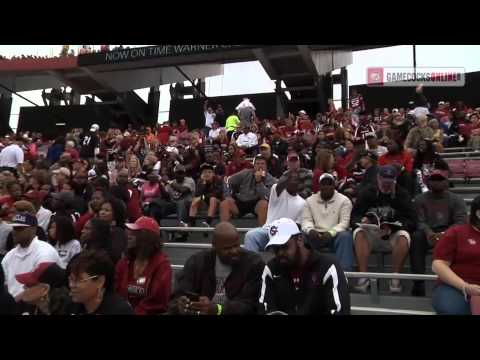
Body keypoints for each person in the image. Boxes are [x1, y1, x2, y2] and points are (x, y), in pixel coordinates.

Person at [167, 222, 264, 315]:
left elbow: (249, 305)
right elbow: (179, 294)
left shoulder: (254, 264)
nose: (234, 251)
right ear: (214, 246)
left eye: (236, 245)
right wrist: (180, 304)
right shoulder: (197, 261)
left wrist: (217, 309)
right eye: (227, 248)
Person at [258, 218, 350, 315]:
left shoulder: (328, 267)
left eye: (285, 246)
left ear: (300, 240)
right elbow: (264, 309)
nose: (280, 253)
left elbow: (340, 311)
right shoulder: (271, 269)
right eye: (276, 249)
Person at [351, 165, 417, 293]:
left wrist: (394, 227)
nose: (386, 184)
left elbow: (412, 220)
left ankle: (395, 278)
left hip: (392, 234)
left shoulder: (402, 194)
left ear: (395, 179)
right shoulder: (367, 192)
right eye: (384, 180)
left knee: (404, 236)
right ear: (378, 178)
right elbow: (354, 216)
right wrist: (361, 221)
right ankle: (363, 277)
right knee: (358, 233)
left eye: (390, 181)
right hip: (372, 233)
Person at [411, 167, 467, 296]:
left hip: (450, 233)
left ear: (446, 182)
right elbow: (418, 220)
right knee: (416, 237)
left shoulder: (456, 199)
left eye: (440, 179)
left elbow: (461, 221)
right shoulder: (420, 199)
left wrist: (444, 234)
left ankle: (455, 281)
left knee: (458, 237)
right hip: (427, 233)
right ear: (428, 182)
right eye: (433, 180)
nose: (436, 182)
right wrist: (428, 232)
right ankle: (418, 282)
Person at [431, 195, 480, 315]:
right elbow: (438, 265)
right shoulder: (456, 232)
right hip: (455, 286)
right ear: (478, 213)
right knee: (454, 309)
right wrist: (465, 286)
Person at [115, 216, 172, 315]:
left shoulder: (162, 265)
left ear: (147, 238)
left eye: (135, 233)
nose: (129, 235)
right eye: (130, 232)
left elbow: (157, 301)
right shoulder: (124, 262)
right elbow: (115, 291)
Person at [302, 173, 354, 271]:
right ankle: (302, 272)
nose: (326, 187)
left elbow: (344, 223)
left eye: (329, 184)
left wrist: (331, 233)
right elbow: (306, 220)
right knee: (301, 236)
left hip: (335, 235)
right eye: (323, 184)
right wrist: (310, 230)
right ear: (319, 186)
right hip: (315, 235)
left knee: (345, 236)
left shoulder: (344, 201)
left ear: (334, 186)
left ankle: (345, 273)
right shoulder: (309, 201)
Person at [243, 170, 306, 252]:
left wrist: (284, 232)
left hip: (286, 235)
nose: (293, 181)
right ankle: (253, 263)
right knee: (251, 235)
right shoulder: (277, 191)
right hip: (268, 230)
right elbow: (279, 185)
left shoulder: (303, 203)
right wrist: (287, 177)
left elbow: (298, 225)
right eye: (291, 179)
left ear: (299, 183)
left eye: (296, 179)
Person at [1, 212, 60, 297]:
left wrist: (12, 304)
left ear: (33, 229)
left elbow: (41, 289)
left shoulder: (45, 252)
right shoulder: (10, 255)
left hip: (35, 303)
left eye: (20, 228)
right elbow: (4, 284)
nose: (14, 232)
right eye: (14, 228)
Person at [66, 250, 134, 315]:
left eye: (78, 280)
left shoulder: (120, 311)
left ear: (100, 281)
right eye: (71, 279)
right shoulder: (71, 305)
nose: (71, 285)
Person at [220, 155, 277, 226]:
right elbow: (227, 180)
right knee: (225, 203)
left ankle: (262, 233)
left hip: (257, 204)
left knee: (264, 204)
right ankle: (224, 232)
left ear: (266, 166)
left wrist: (259, 182)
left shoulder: (271, 180)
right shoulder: (246, 172)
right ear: (254, 166)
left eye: (262, 164)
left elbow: (267, 197)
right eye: (257, 164)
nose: (260, 166)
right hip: (242, 201)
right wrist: (227, 195)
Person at [149, 164, 195, 229]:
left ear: (185, 174)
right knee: (154, 203)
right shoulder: (172, 182)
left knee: (180, 203)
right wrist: (160, 183)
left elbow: (182, 190)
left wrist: (168, 181)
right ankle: (156, 228)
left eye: (182, 173)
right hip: (173, 205)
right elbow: (165, 196)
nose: (180, 175)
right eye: (178, 173)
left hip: (187, 205)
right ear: (174, 174)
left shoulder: (189, 180)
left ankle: (182, 229)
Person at [189, 163, 223, 227]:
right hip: (205, 203)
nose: (207, 174)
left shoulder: (218, 180)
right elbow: (197, 194)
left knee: (212, 199)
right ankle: (192, 223)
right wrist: (204, 184)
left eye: (209, 172)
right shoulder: (200, 182)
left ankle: (208, 222)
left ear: (213, 174)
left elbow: (216, 194)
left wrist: (202, 197)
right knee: (195, 199)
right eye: (204, 172)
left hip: (218, 204)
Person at [98, 197, 128, 265]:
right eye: (101, 209)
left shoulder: (118, 232)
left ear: (116, 214)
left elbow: (114, 255)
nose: (102, 212)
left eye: (107, 210)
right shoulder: (97, 228)